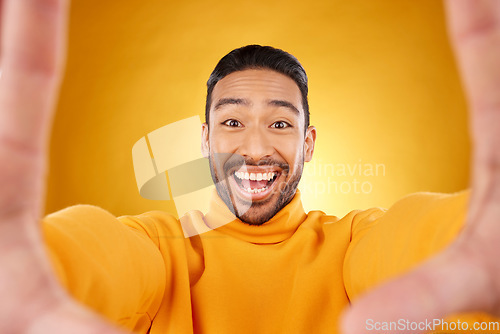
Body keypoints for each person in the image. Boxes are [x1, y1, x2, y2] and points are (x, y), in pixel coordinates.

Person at [0, 0, 499, 333]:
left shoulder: (352, 245)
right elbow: (95, 254)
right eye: (233, 122)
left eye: (280, 125)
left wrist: (467, 236)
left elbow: (410, 239)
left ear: (308, 144)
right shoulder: (158, 250)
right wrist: (42, 265)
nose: (255, 148)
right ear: (205, 141)